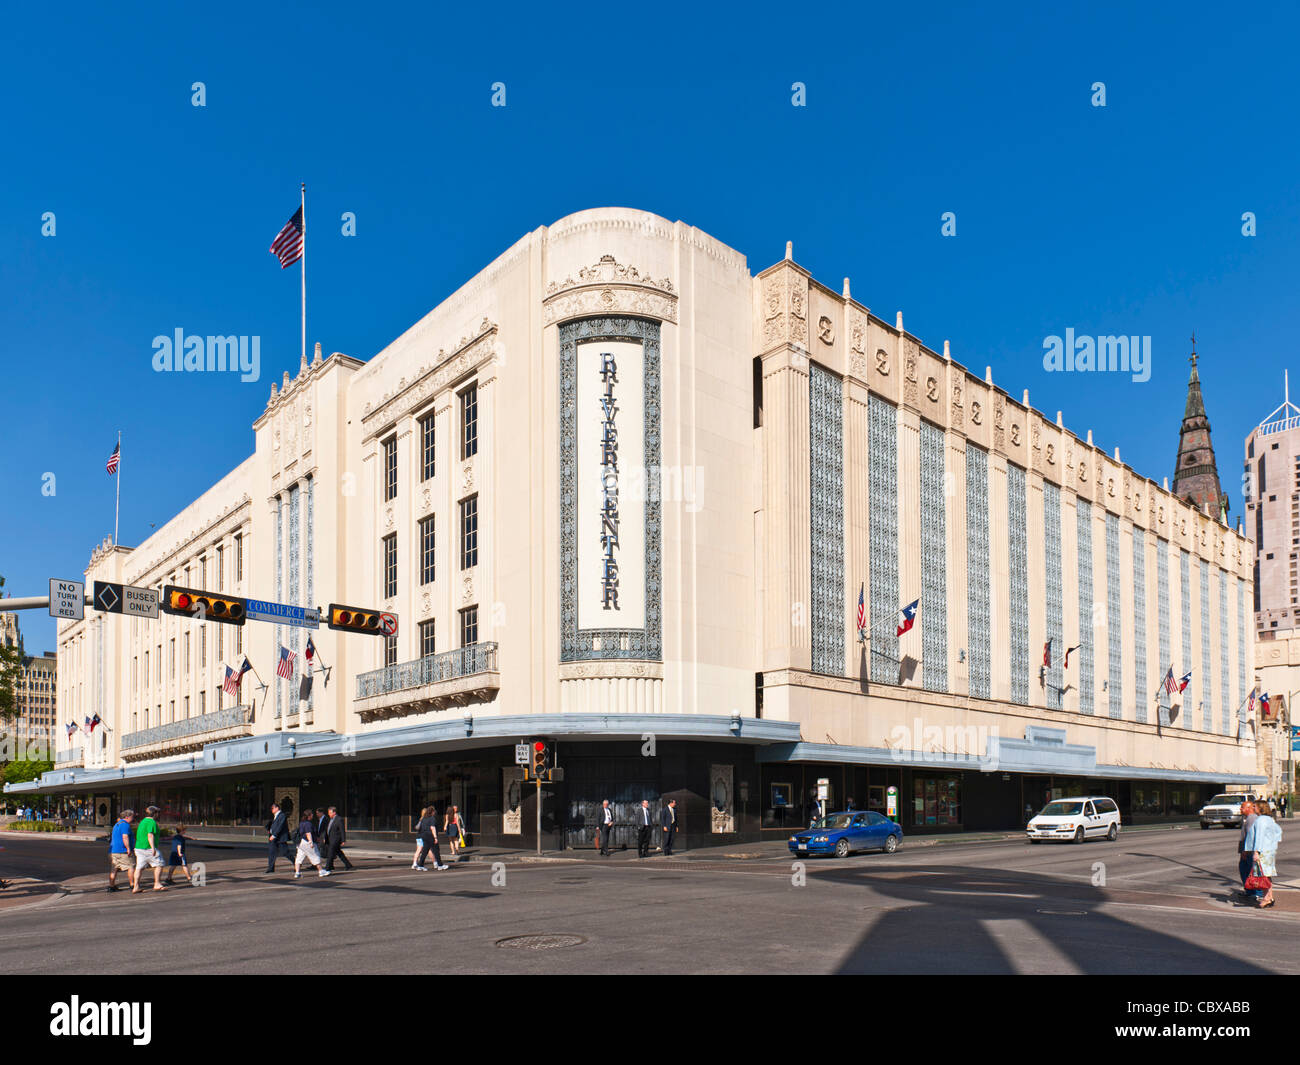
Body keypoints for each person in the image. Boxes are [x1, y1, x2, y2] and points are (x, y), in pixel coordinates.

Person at [1250, 800, 1283, 909]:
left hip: (1263, 851)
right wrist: (1272, 842)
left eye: (1254, 806)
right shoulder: (1269, 819)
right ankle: (1269, 897)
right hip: (1269, 850)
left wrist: (1256, 851)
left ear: (1260, 808)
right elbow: (1279, 831)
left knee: (1262, 875)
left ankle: (1267, 898)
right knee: (1266, 875)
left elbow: (1258, 837)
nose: (1253, 808)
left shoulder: (1260, 820)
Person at [133, 805, 167, 893]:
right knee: (159, 864)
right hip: (148, 847)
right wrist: (153, 848)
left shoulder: (143, 821)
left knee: (139, 867)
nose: (158, 814)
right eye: (157, 812)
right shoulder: (152, 822)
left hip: (139, 847)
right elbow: (150, 835)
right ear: (154, 813)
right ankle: (157, 883)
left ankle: (136, 886)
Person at [1237, 799, 1261, 904]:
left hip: (1250, 851)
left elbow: (1251, 836)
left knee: (1253, 871)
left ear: (1248, 808)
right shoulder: (1247, 818)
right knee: (1246, 870)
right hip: (1247, 850)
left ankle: (1257, 893)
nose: (1240, 809)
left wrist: (1245, 851)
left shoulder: (1252, 819)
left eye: (1242, 807)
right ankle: (1250, 891)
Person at [294, 810, 328, 879]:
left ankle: (297, 873)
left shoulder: (302, 823)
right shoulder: (308, 824)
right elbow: (308, 833)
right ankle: (321, 871)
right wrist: (311, 842)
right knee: (315, 855)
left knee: (299, 857)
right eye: (312, 814)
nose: (313, 815)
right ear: (309, 816)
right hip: (307, 842)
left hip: (301, 843)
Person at [108, 808, 136, 893]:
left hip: (113, 851)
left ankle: (111, 886)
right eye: (132, 816)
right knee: (130, 866)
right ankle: (132, 885)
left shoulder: (117, 824)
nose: (133, 818)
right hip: (122, 850)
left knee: (114, 868)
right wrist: (128, 848)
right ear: (128, 817)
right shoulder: (125, 825)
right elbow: (125, 837)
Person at [414, 806, 447, 871]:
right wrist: (435, 837)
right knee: (436, 851)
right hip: (430, 836)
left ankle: (420, 865)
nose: (434, 812)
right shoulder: (432, 818)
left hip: (424, 836)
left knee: (424, 852)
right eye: (434, 811)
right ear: (432, 812)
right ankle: (440, 865)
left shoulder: (423, 818)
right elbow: (432, 828)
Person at [324, 805, 353, 871]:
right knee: (339, 853)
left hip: (336, 839)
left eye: (330, 813)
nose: (329, 814)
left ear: (334, 812)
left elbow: (342, 830)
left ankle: (327, 868)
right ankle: (348, 865)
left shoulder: (339, 819)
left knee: (330, 853)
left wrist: (343, 840)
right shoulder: (330, 820)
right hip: (330, 839)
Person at [266, 802, 291, 874]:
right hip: (273, 837)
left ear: (277, 808)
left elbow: (280, 826)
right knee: (271, 852)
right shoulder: (275, 815)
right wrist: (270, 830)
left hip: (280, 837)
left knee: (285, 852)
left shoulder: (282, 815)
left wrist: (274, 835)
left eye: (272, 808)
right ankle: (270, 868)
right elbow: (274, 825)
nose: (271, 810)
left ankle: (296, 863)